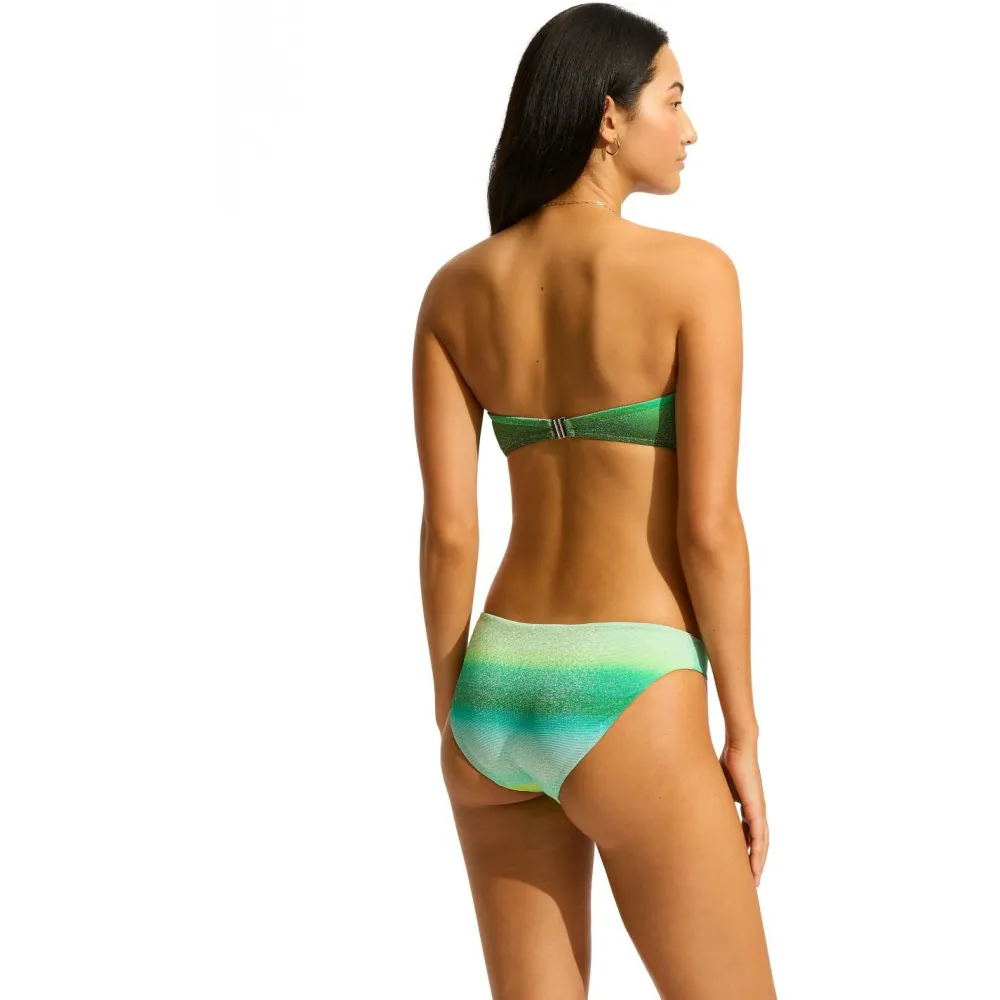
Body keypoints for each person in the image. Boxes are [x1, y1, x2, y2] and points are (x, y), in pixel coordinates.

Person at [412, 4, 777, 997]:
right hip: (631, 688)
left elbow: (449, 533)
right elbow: (709, 529)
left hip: (493, 689)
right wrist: (742, 734)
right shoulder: (693, 276)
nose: (690, 128)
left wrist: (454, 714)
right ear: (608, 118)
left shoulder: (455, 291)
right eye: (674, 100)